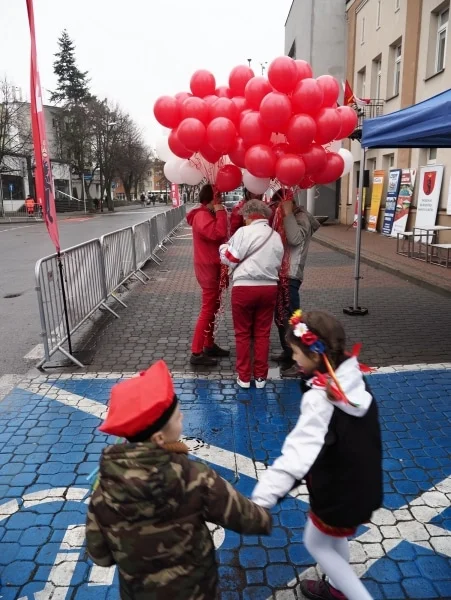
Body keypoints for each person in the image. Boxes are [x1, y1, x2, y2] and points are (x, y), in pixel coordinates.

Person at [86, 360, 272, 600]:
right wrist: (265, 516)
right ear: (160, 438)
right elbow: (248, 518)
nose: (182, 415)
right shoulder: (194, 476)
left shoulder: (103, 491)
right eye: (177, 416)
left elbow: (100, 555)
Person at [252, 310, 382, 600]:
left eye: (296, 352)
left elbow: (298, 454)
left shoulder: (321, 398)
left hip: (337, 491)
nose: (294, 358)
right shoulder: (350, 377)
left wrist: (262, 499)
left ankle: (353, 593)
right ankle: (336, 588)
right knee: (333, 539)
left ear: (315, 354)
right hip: (361, 484)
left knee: (316, 543)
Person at [220, 200, 284, 389]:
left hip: (244, 288)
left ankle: (244, 377)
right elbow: (279, 262)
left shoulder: (243, 232)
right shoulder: (275, 236)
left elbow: (230, 259)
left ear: (248, 216)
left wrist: (223, 248)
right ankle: (261, 377)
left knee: (242, 334)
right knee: (263, 334)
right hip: (269, 288)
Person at [271, 189, 320, 377]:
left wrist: (288, 213)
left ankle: (301, 361)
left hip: (291, 275)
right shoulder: (290, 216)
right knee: (281, 316)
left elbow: (294, 239)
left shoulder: (300, 218)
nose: (276, 210)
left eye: (278, 206)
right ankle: (289, 352)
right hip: (282, 274)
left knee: (292, 319)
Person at [186, 184, 229, 366]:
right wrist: (221, 213)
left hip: (212, 266)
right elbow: (218, 233)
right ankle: (196, 352)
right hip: (208, 268)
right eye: (219, 198)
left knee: (213, 307)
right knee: (208, 309)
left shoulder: (204, 214)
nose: (221, 201)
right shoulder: (203, 215)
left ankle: (208, 344)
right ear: (212, 199)